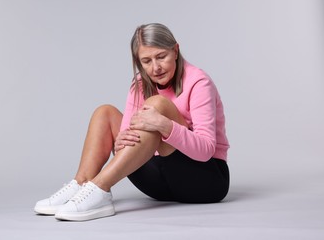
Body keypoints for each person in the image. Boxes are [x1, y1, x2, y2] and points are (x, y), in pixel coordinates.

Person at [34, 23, 230, 221]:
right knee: (105, 113)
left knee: (157, 104)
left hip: (204, 181)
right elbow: (128, 137)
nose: (156, 68)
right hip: (159, 184)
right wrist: (120, 142)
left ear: (176, 50)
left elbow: (206, 150)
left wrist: (164, 125)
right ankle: (82, 183)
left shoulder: (198, 82)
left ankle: (99, 188)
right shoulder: (139, 85)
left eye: (161, 56)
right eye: (146, 61)